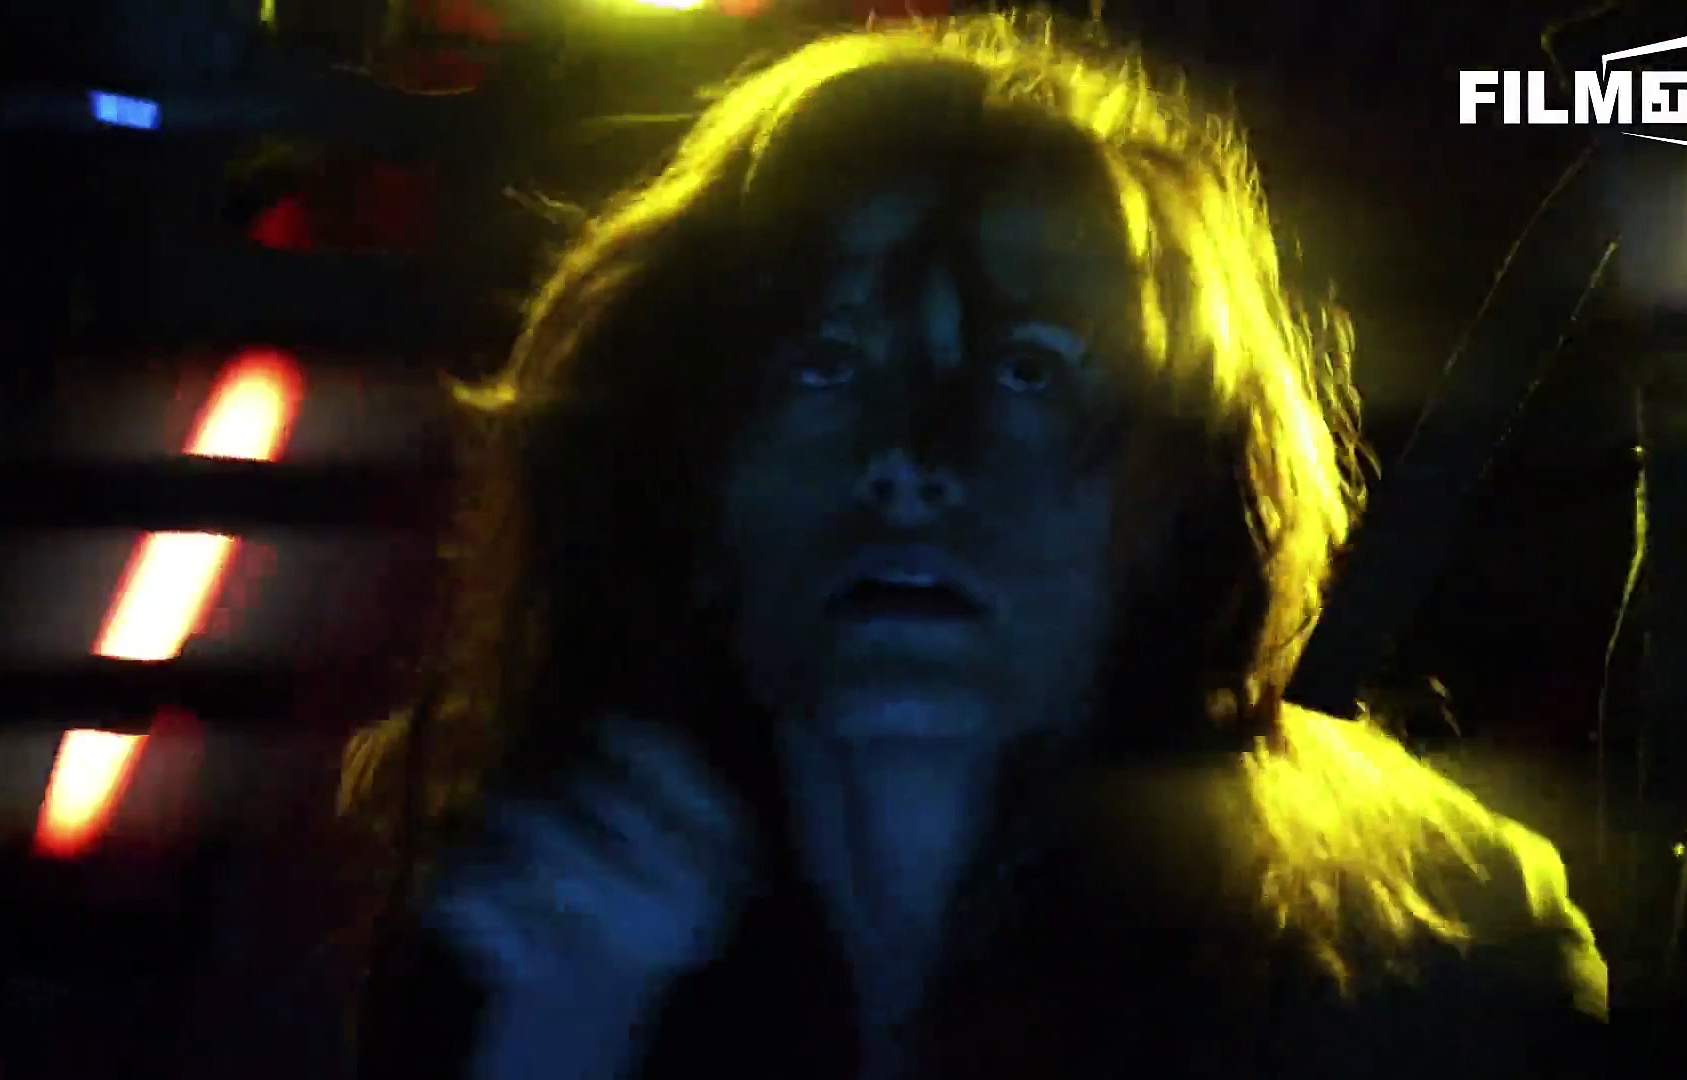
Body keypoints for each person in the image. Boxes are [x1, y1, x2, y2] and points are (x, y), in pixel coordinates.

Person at [342, 13, 1608, 1079]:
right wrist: (560, 1037)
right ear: (689, 469)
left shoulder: (1430, 938)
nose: (914, 458)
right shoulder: (532, 921)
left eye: (1026, 372)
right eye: (825, 364)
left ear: (1183, 494)